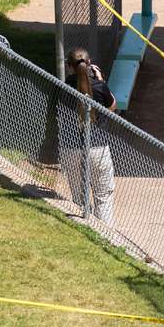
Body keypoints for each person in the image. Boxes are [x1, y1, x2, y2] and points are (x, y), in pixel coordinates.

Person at [61, 47, 116, 225]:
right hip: (97, 148)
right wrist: (100, 80)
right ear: (90, 64)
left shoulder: (61, 87)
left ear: (69, 67)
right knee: (103, 196)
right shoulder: (99, 87)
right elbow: (112, 106)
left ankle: (85, 230)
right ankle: (105, 235)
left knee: (79, 197)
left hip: (70, 148)